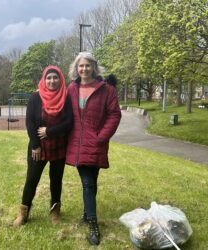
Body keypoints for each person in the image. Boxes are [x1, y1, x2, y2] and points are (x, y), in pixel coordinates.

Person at [66, 52, 122, 245]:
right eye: (81, 66)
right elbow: (61, 109)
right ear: (76, 68)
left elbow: (114, 115)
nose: (84, 69)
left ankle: (87, 216)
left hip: (96, 143)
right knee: (88, 183)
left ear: (94, 67)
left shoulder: (106, 90)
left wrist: (102, 137)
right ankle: (92, 222)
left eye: (88, 65)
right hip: (77, 143)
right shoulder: (72, 88)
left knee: (91, 181)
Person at [14, 65, 73, 226]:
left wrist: (50, 131)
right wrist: (35, 145)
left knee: (56, 180)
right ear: (43, 79)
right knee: (32, 179)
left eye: (55, 77)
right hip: (38, 146)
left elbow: (69, 122)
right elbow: (30, 122)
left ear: (60, 79)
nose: (52, 81)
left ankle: (55, 211)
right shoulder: (35, 97)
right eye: (49, 77)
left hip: (58, 145)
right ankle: (24, 213)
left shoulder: (66, 97)